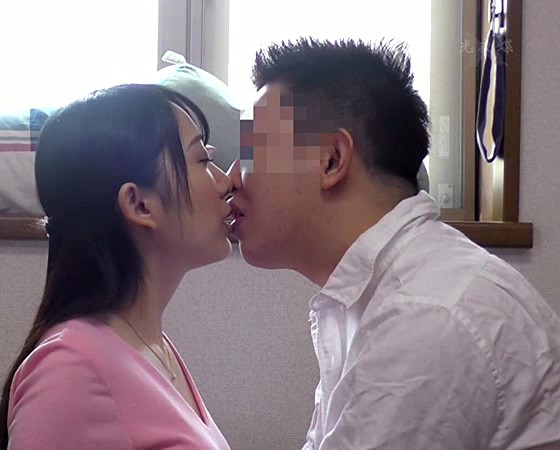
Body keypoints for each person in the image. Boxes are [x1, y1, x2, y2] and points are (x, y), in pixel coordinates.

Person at [226, 38, 560, 449]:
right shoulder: (381, 292)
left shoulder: (426, 313)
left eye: (251, 152)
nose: (231, 178)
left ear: (331, 159)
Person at [0, 84, 234, 449]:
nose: (225, 181)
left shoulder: (151, 346)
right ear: (139, 205)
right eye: (202, 160)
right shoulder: (70, 368)